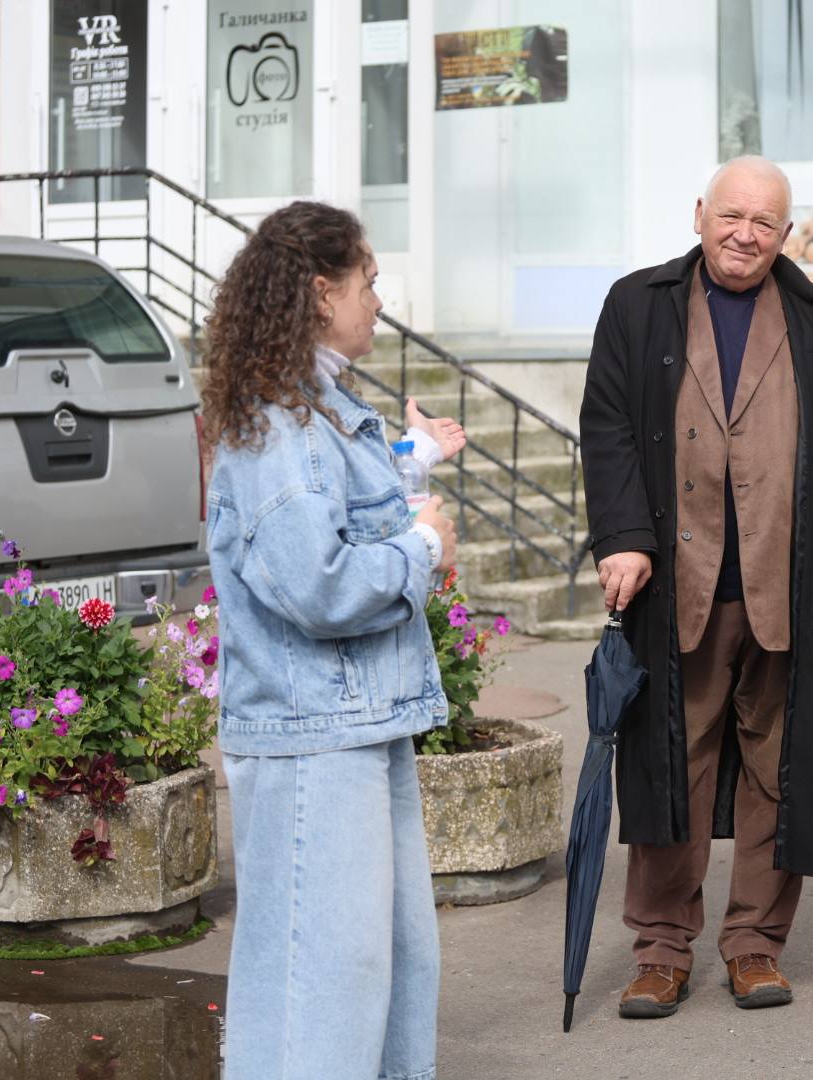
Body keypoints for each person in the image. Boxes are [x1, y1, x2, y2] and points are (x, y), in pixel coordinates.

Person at [580, 156, 813, 1018]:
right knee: (667, 768)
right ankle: (660, 950)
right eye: (732, 216)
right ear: (699, 214)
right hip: (675, 587)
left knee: (778, 770)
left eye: (764, 223)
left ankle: (755, 944)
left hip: (792, 591)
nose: (745, 236)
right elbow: (606, 429)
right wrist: (622, 538)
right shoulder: (638, 305)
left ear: (786, 235)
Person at [201, 201, 466, 1079]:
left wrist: (412, 473)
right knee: (323, 981)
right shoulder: (283, 425)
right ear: (322, 293)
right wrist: (421, 546)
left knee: (379, 967)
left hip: (348, 725)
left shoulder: (313, 409)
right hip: (314, 735)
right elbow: (316, 583)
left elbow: (334, 520)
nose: (380, 301)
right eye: (369, 282)